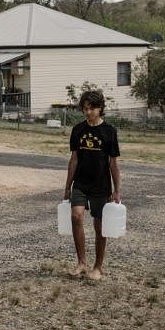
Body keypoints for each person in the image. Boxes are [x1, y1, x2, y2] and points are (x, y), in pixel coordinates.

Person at [63, 90, 122, 280]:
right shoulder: (78, 129)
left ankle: (98, 266)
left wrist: (117, 190)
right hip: (81, 183)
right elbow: (73, 160)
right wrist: (67, 186)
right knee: (76, 216)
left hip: (101, 185)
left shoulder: (109, 132)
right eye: (85, 108)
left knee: (99, 226)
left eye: (92, 108)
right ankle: (81, 263)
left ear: (100, 108)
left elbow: (113, 163)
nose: (88, 112)